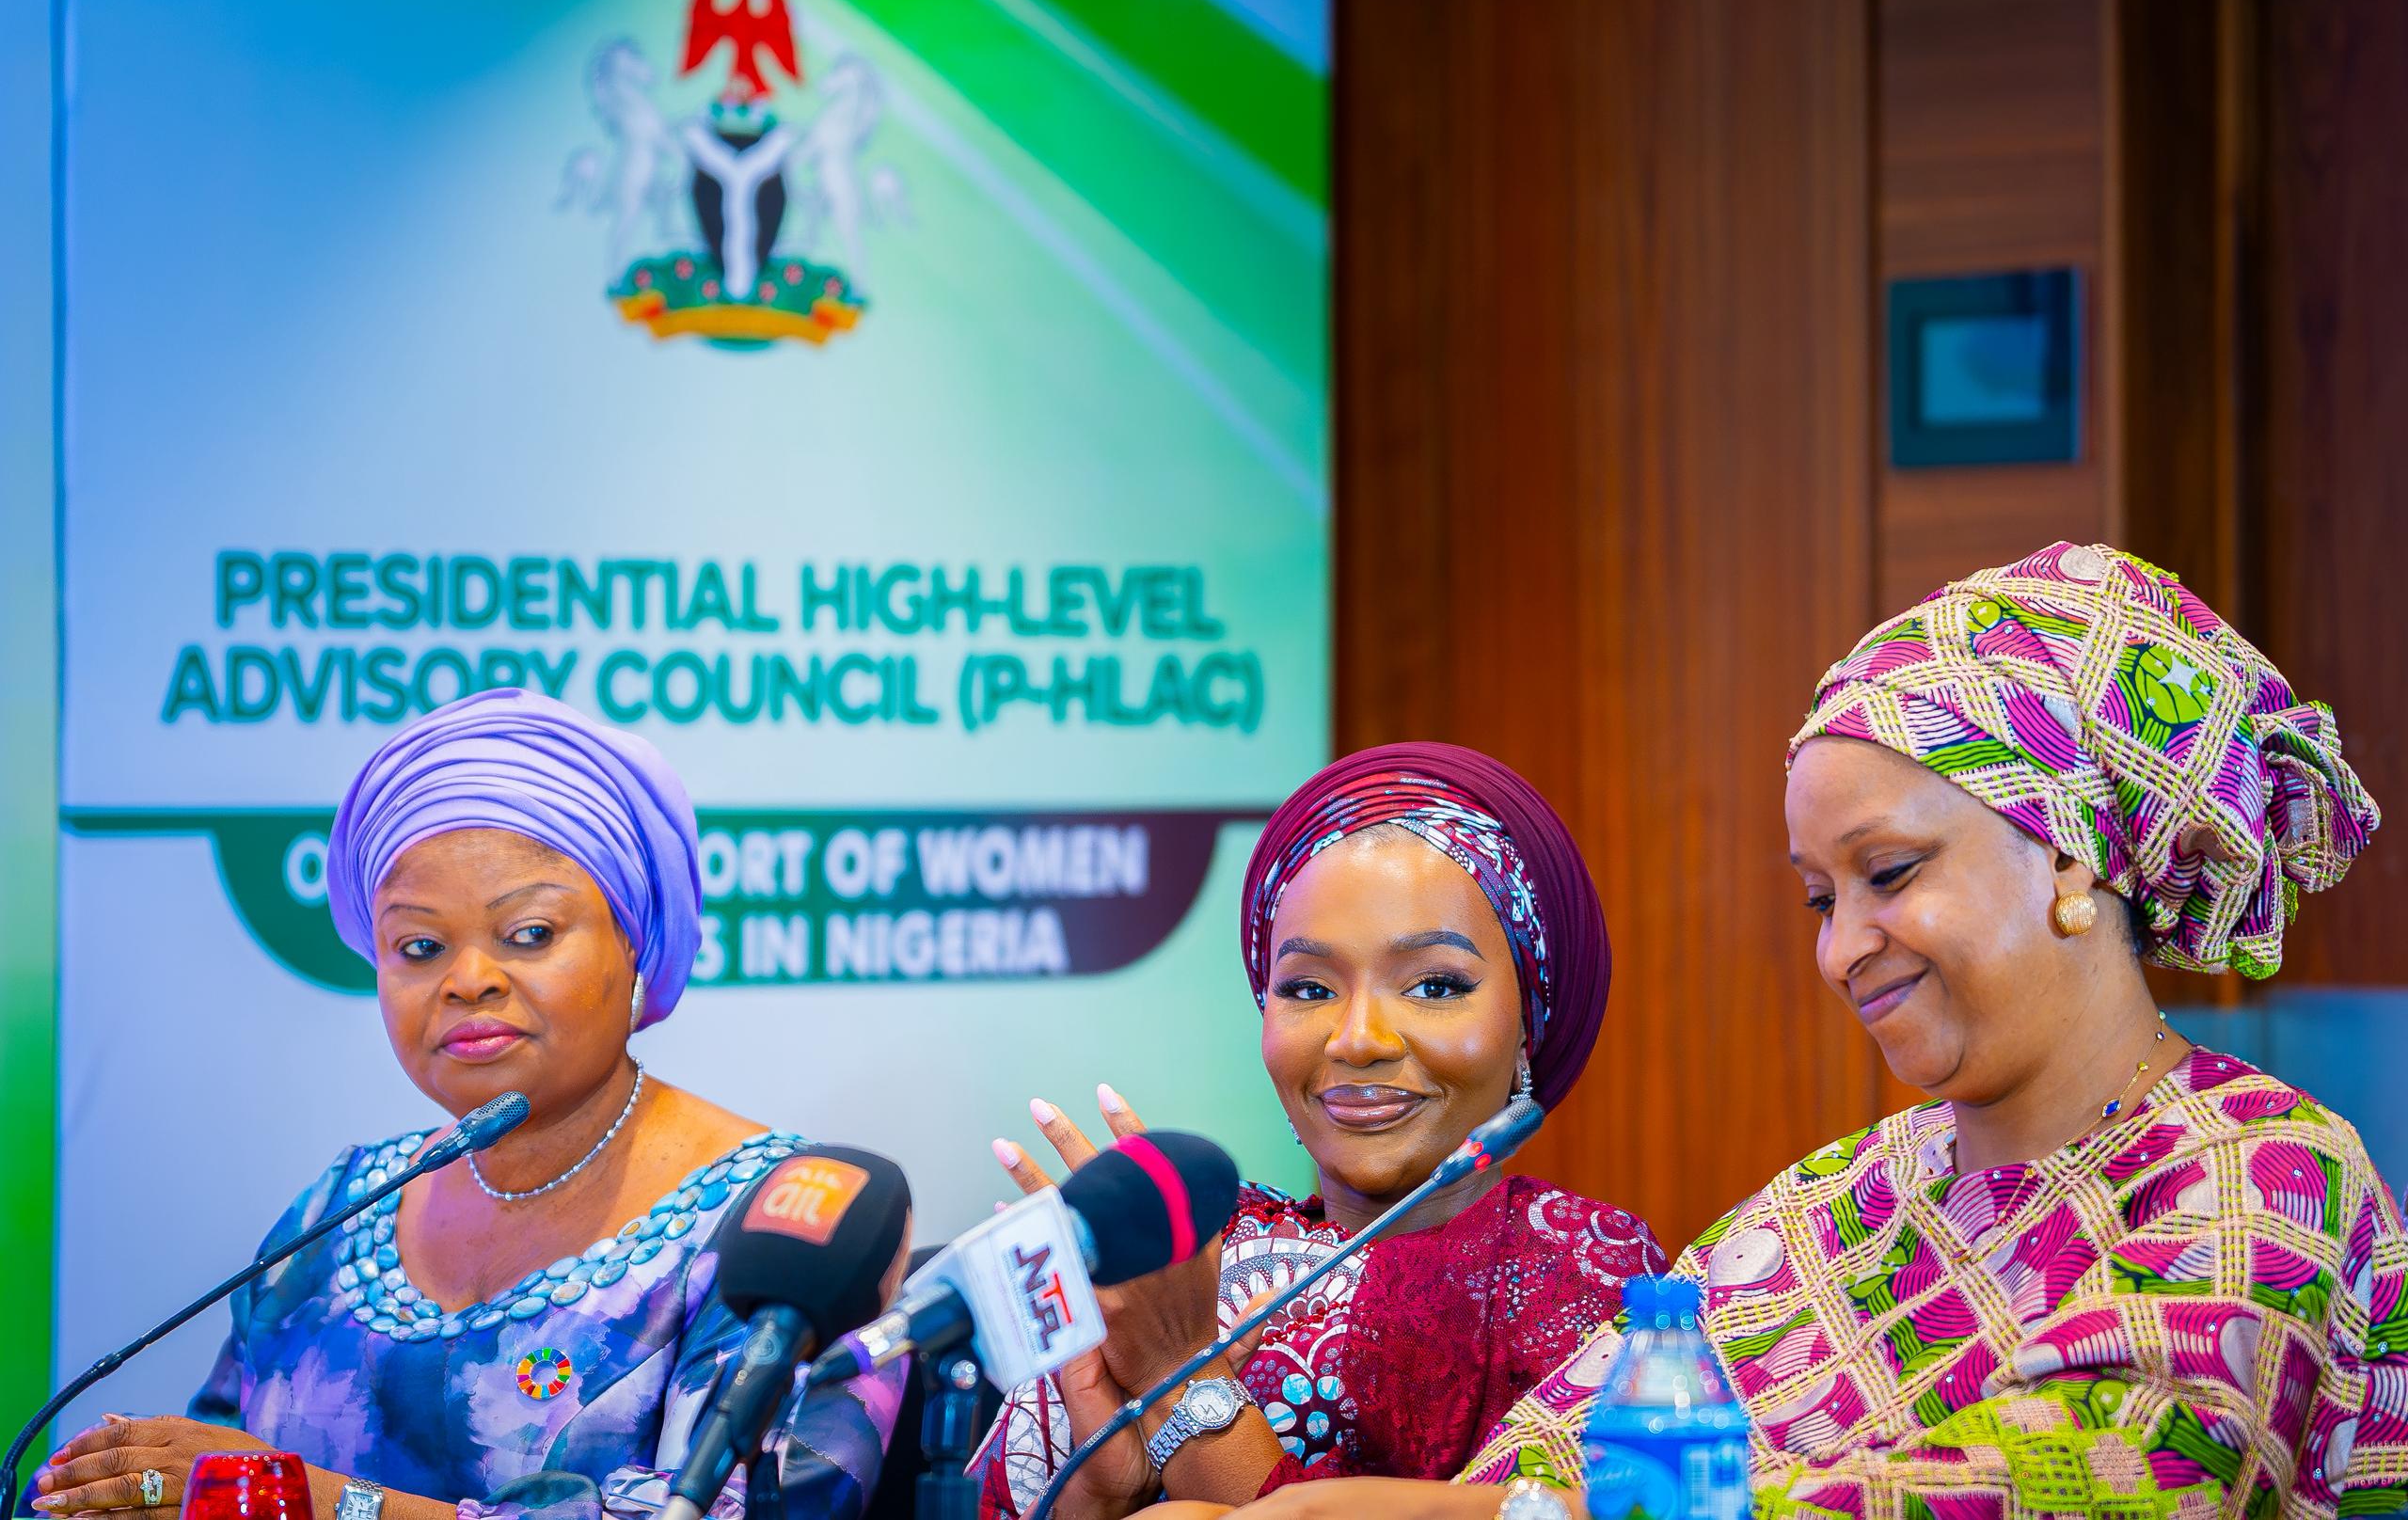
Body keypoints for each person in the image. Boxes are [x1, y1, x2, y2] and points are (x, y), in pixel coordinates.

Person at [1385, 541, 2404, 1520]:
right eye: (1820, 899)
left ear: (2068, 854)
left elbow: (2090, 1478)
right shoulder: (1837, 1201)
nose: (1839, 951)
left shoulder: (2261, 1171)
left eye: (1889, 872)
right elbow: (1545, 1458)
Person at [33, 690, 899, 1520]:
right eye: (420, 946)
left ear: (634, 941)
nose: (469, 980)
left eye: (530, 934)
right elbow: (219, 1464)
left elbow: (755, 1508)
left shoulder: (791, 1227)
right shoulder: (338, 1214)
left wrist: (325, 1504)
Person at [975, 743, 1666, 1519]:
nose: (1357, 1039)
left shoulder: (1589, 1271)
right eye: (1307, 989)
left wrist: (1179, 1373)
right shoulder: (1180, 1259)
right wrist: (1098, 1498)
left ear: (1528, 1026)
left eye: (1435, 985)